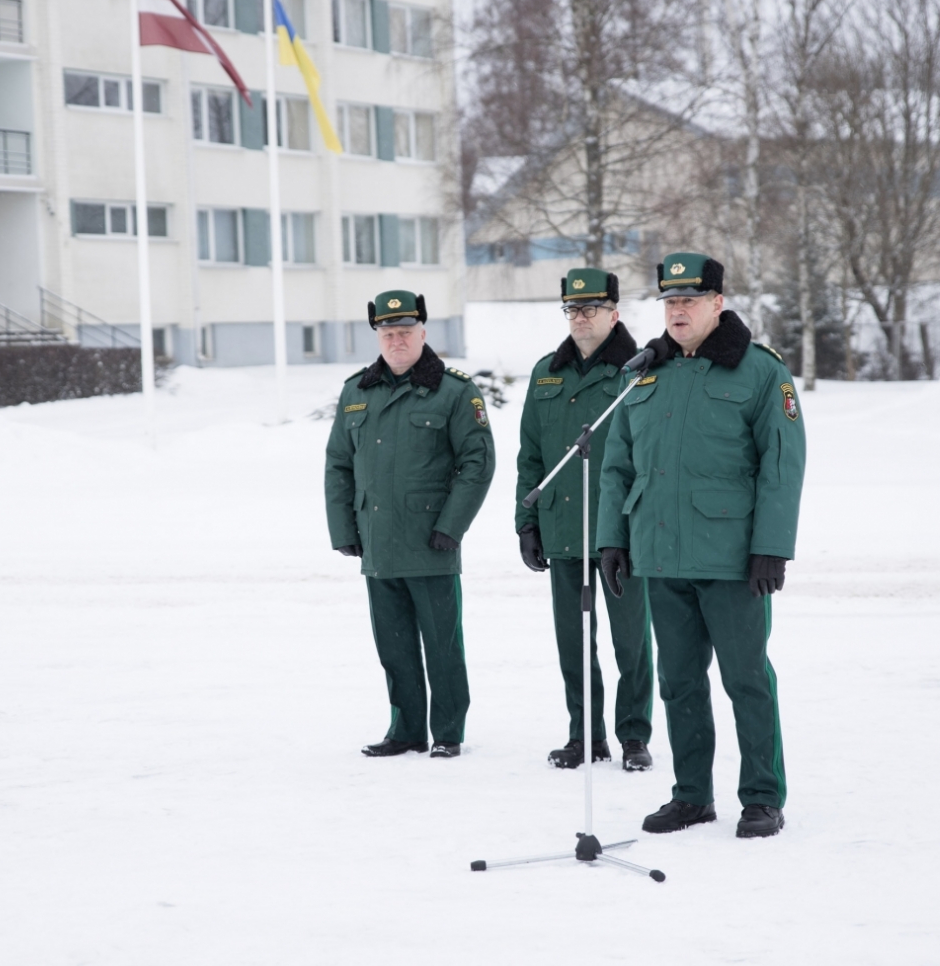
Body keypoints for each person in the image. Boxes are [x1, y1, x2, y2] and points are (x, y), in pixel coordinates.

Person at [597, 253, 805, 838]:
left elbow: (782, 467)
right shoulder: (645, 373)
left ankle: (762, 796)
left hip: (734, 558)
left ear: (718, 303)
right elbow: (617, 466)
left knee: (746, 679)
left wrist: (772, 546)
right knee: (678, 681)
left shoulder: (760, 373)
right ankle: (691, 796)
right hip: (660, 555)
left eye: (690, 300)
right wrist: (612, 538)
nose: (678, 310)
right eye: (670, 301)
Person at [324, 290, 496, 759]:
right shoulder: (356, 391)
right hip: (377, 541)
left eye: (405, 331)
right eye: (388, 332)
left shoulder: (455, 392)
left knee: (442, 647)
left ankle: (447, 732)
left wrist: (451, 526)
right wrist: (344, 530)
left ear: (423, 332)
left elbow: (477, 464)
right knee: (394, 647)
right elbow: (339, 463)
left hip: (431, 542)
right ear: (378, 336)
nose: (396, 340)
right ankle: (405, 730)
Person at [514, 268, 655, 773]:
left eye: (590, 308)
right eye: (572, 309)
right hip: (562, 527)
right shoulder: (545, 372)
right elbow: (530, 452)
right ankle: (585, 734)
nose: (580, 317)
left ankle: (634, 736)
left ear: (615, 313)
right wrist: (525, 523)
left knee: (631, 641)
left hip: (621, 529)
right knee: (574, 641)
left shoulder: (639, 370)